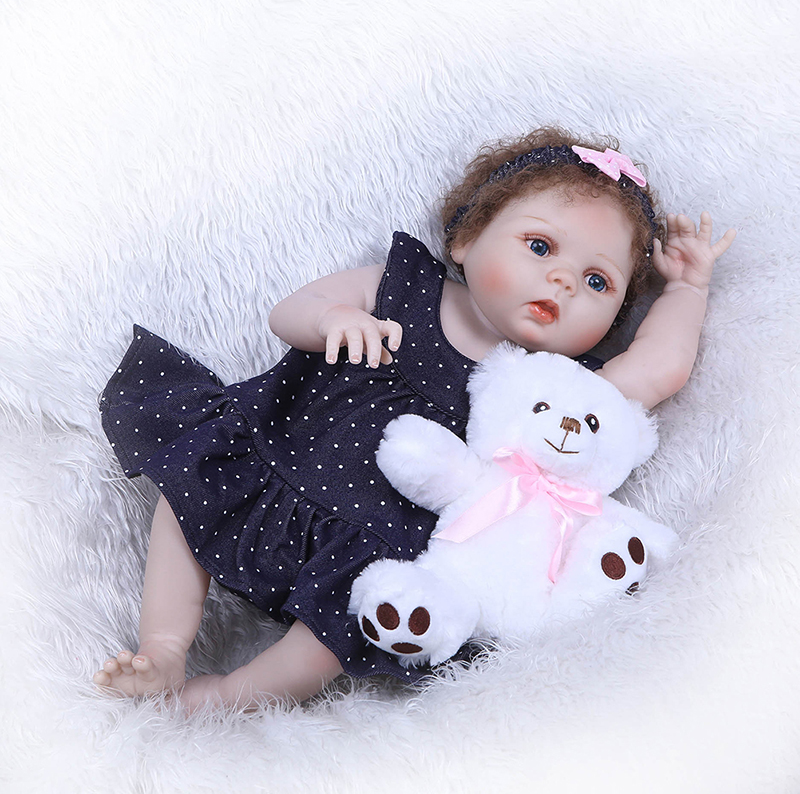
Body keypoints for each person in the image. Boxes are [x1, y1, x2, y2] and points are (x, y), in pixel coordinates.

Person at [93, 127, 736, 711]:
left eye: (598, 282)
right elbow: (289, 311)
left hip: (371, 546)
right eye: (540, 246)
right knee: (189, 493)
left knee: (331, 639)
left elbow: (658, 369)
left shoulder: (558, 387)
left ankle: (226, 698)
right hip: (277, 457)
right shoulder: (403, 286)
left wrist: (688, 288)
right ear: (467, 237)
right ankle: (166, 646)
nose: (563, 280)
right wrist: (333, 319)